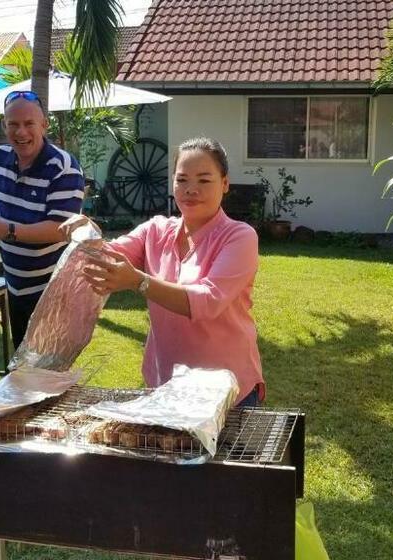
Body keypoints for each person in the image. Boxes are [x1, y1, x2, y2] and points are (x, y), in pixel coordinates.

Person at [72, 137, 264, 407]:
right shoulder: (157, 230)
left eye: (204, 180)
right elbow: (109, 256)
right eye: (182, 179)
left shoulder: (239, 237)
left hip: (227, 390)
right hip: (167, 384)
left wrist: (138, 282)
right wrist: (83, 234)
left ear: (225, 184)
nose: (191, 190)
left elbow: (208, 301)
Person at [0, 91, 85, 348]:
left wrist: (5, 230)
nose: (21, 132)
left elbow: (61, 230)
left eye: (29, 124)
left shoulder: (64, 167)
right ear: (4, 125)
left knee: (47, 373)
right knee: (23, 368)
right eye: (13, 124)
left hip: (51, 291)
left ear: (44, 124)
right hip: (15, 285)